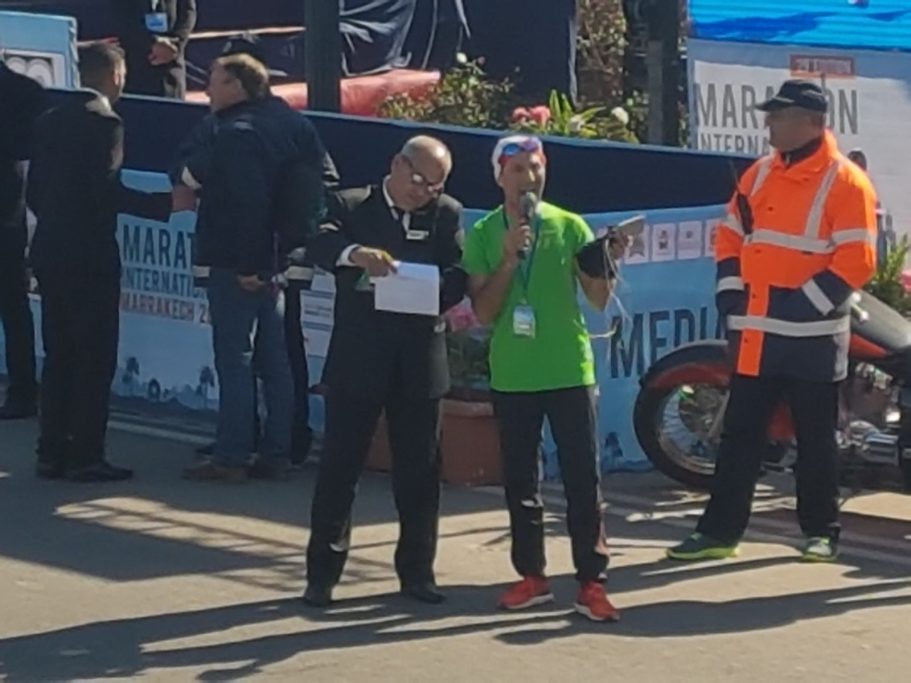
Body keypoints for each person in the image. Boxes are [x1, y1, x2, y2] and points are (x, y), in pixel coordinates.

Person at [667, 80, 878, 563]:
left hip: (811, 338)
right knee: (740, 436)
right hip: (756, 334)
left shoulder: (845, 182)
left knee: (816, 438)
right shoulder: (758, 174)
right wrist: (729, 294)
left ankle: (822, 531)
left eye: (778, 116)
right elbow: (729, 236)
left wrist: (797, 306)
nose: (769, 124)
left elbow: (857, 260)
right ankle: (719, 533)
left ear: (811, 122)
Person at [302, 135, 466, 607]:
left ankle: (417, 571)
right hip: (360, 355)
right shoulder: (352, 203)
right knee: (340, 467)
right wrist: (356, 255)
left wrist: (432, 288)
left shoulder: (446, 213)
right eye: (418, 181)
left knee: (419, 471)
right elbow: (317, 241)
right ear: (396, 164)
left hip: (419, 357)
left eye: (434, 186)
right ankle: (323, 572)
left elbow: (458, 272)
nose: (424, 192)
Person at [462, 134, 620, 623]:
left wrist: (608, 259)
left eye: (535, 168)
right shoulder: (486, 233)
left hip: (568, 369)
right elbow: (485, 311)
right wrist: (509, 258)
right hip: (514, 373)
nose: (529, 179)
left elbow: (598, 299)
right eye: (518, 170)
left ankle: (591, 582)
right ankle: (532, 577)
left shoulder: (570, 226)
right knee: (521, 482)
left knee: (581, 480)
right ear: (499, 176)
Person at [171, 40, 338, 465]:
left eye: (214, 82)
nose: (206, 91)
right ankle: (280, 451)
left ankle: (232, 455)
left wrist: (253, 265)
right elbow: (325, 181)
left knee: (236, 359)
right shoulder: (292, 123)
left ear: (239, 86)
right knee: (277, 360)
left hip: (246, 265)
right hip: (284, 263)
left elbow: (243, 203)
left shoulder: (236, 133)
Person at [27, 42, 170, 482]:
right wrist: (165, 204)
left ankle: (51, 450)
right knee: (93, 358)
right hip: (89, 257)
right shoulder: (106, 123)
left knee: (58, 355)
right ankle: (86, 454)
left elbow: (34, 190)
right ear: (116, 76)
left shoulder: (50, 119)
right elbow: (104, 190)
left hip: (50, 250)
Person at [0, 57, 45, 420]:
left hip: (8, 211)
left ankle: (24, 391)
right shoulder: (28, 91)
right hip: (9, 211)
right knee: (14, 308)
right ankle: (23, 391)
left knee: (14, 306)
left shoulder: (24, 92)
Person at [113, 0, 197, 99]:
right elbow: (120, 18)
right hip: (136, 68)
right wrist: (152, 42)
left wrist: (175, 43)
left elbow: (188, 13)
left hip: (171, 67)